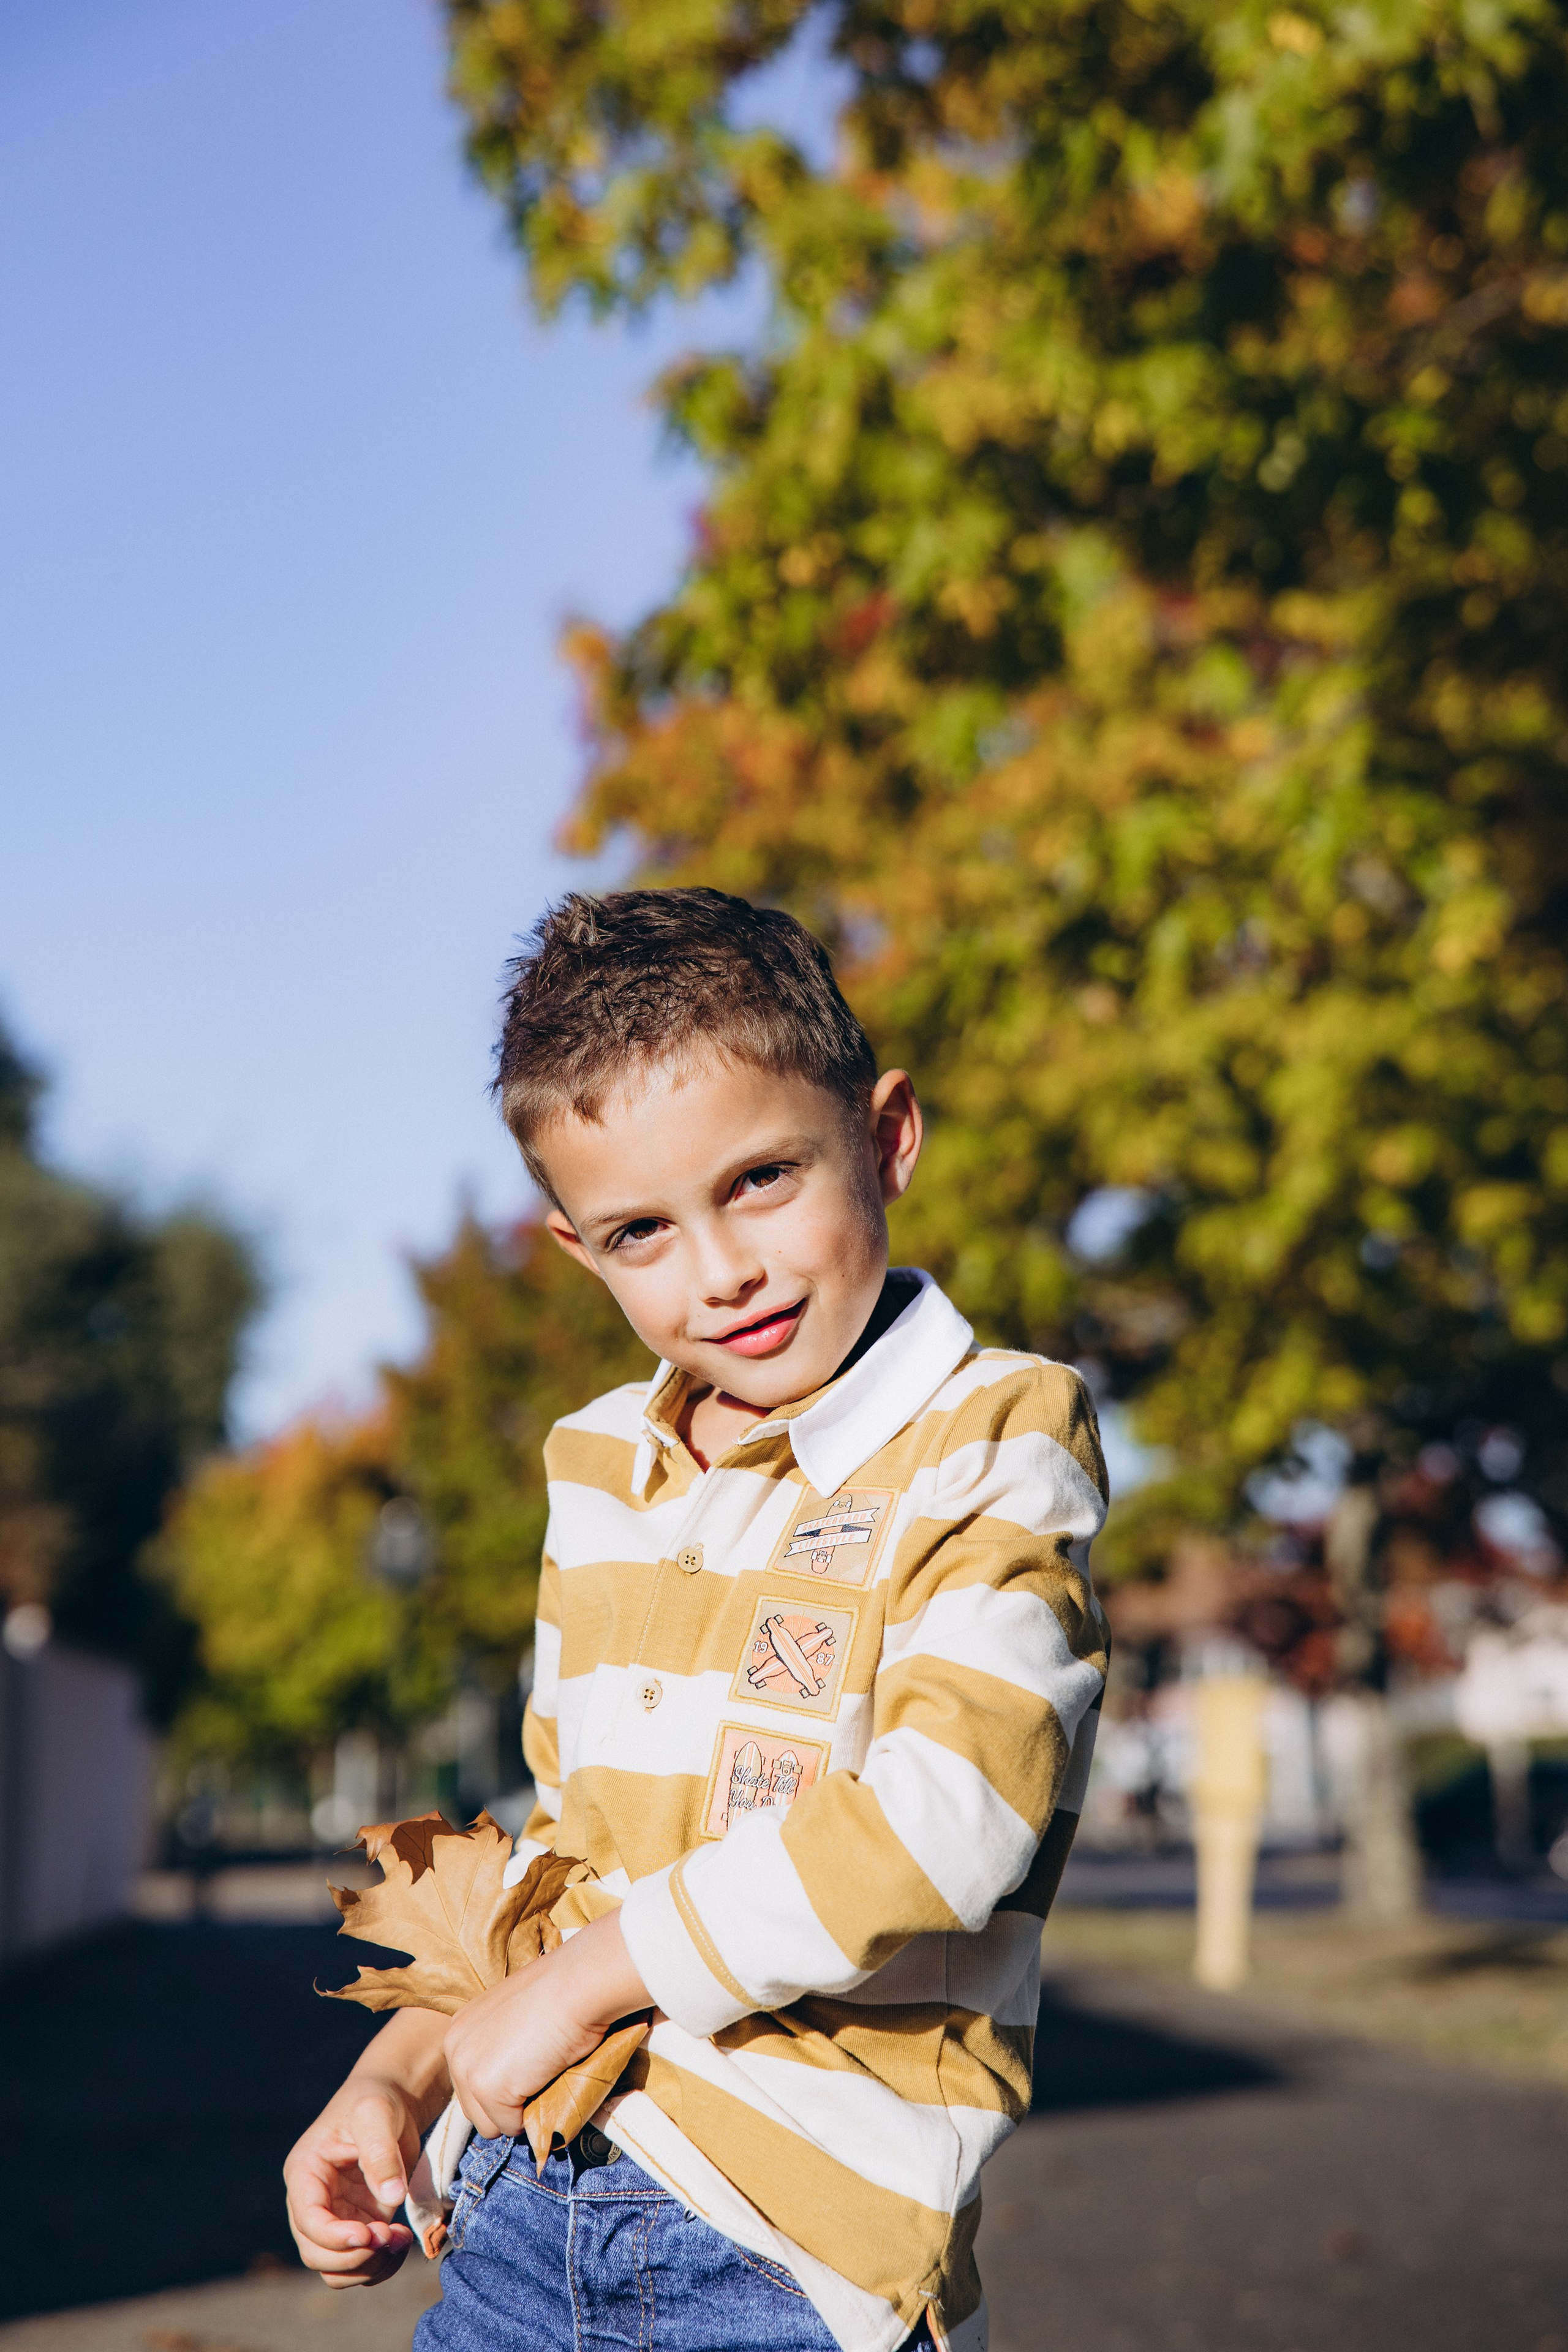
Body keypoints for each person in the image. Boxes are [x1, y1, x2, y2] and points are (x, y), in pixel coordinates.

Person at [284, 887, 1110, 2352]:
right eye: (639, 1231)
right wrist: (400, 2081)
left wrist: (585, 1985)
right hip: (521, 2212)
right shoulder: (596, 1468)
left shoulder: (992, 1432)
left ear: (886, 1137)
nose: (718, 1270)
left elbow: (948, 1817)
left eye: (761, 1180)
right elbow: (565, 1856)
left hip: (796, 2264)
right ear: (576, 1250)